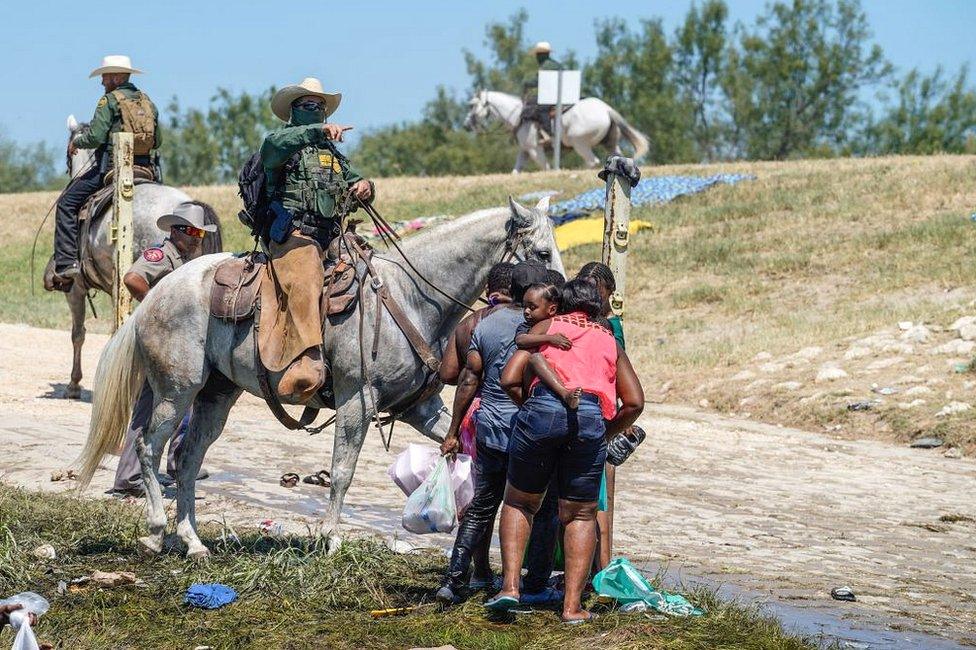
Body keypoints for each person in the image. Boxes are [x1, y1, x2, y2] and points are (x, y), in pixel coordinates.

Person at [491, 279, 645, 623]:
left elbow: (508, 378)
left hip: (541, 414)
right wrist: (603, 432)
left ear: (562, 303)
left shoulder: (546, 326)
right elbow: (634, 402)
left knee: (519, 501)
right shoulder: (609, 339)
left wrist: (531, 408)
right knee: (580, 514)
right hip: (589, 420)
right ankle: (572, 608)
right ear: (597, 307)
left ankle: (510, 589)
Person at [436, 261, 555, 606]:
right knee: (534, 507)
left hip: (488, 426)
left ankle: (454, 581)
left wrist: (453, 430)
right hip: (528, 430)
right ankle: (530, 583)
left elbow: (467, 379)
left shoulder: (484, 325)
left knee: (481, 506)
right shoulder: (543, 326)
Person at [258, 77, 374, 403]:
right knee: (307, 276)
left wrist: (364, 186)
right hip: (293, 236)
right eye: (307, 105)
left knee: (371, 268)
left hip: (333, 236)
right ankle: (304, 361)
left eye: (318, 106)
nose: (314, 110)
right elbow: (273, 148)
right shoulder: (279, 142)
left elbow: (354, 180)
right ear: (293, 111)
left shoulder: (332, 154)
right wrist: (317, 131)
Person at [111, 202, 216, 496]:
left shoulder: (185, 261)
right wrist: (157, 309)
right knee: (147, 408)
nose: (197, 238)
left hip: (176, 347)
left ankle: (178, 464)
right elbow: (132, 278)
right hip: (157, 343)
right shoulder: (161, 255)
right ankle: (130, 477)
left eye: (200, 233)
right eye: (192, 232)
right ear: (175, 231)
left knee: (186, 405)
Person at [437, 261, 514, 590]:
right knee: (507, 496)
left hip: (471, 414)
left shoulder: (471, 323)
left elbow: (448, 374)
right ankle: (504, 575)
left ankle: (478, 568)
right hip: (508, 411)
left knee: (475, 495)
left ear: (488, 291)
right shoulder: (525, 324)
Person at [53, 55, 160, 290]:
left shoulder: (108, 101)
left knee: (66, 203)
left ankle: (66, 263)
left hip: (112, 168)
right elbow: (158, 141)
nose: (102, 82)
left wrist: (77, 142)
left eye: (105, 76)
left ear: (116, 77)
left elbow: (96, 137)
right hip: (146, 169)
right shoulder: (147, 101)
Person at [576, 262, 645, 569]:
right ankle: (590, 570)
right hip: (599, 416)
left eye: (596, 290)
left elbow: (618, 375)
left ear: (608, 293)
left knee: (600, 501)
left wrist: (617, 424)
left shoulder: (609, 326)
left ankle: (600, 568)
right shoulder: (585, 323)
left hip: (604, 417)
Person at [521, 42, 561, 141]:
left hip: (553, 95)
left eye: (538, 55)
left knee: (541, 108)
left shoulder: (546, 66)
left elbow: (538, 81)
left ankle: (547, 133)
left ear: (541, 55)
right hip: (560, 93)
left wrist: (526, 83)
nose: (537, 57)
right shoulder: (555, 64)